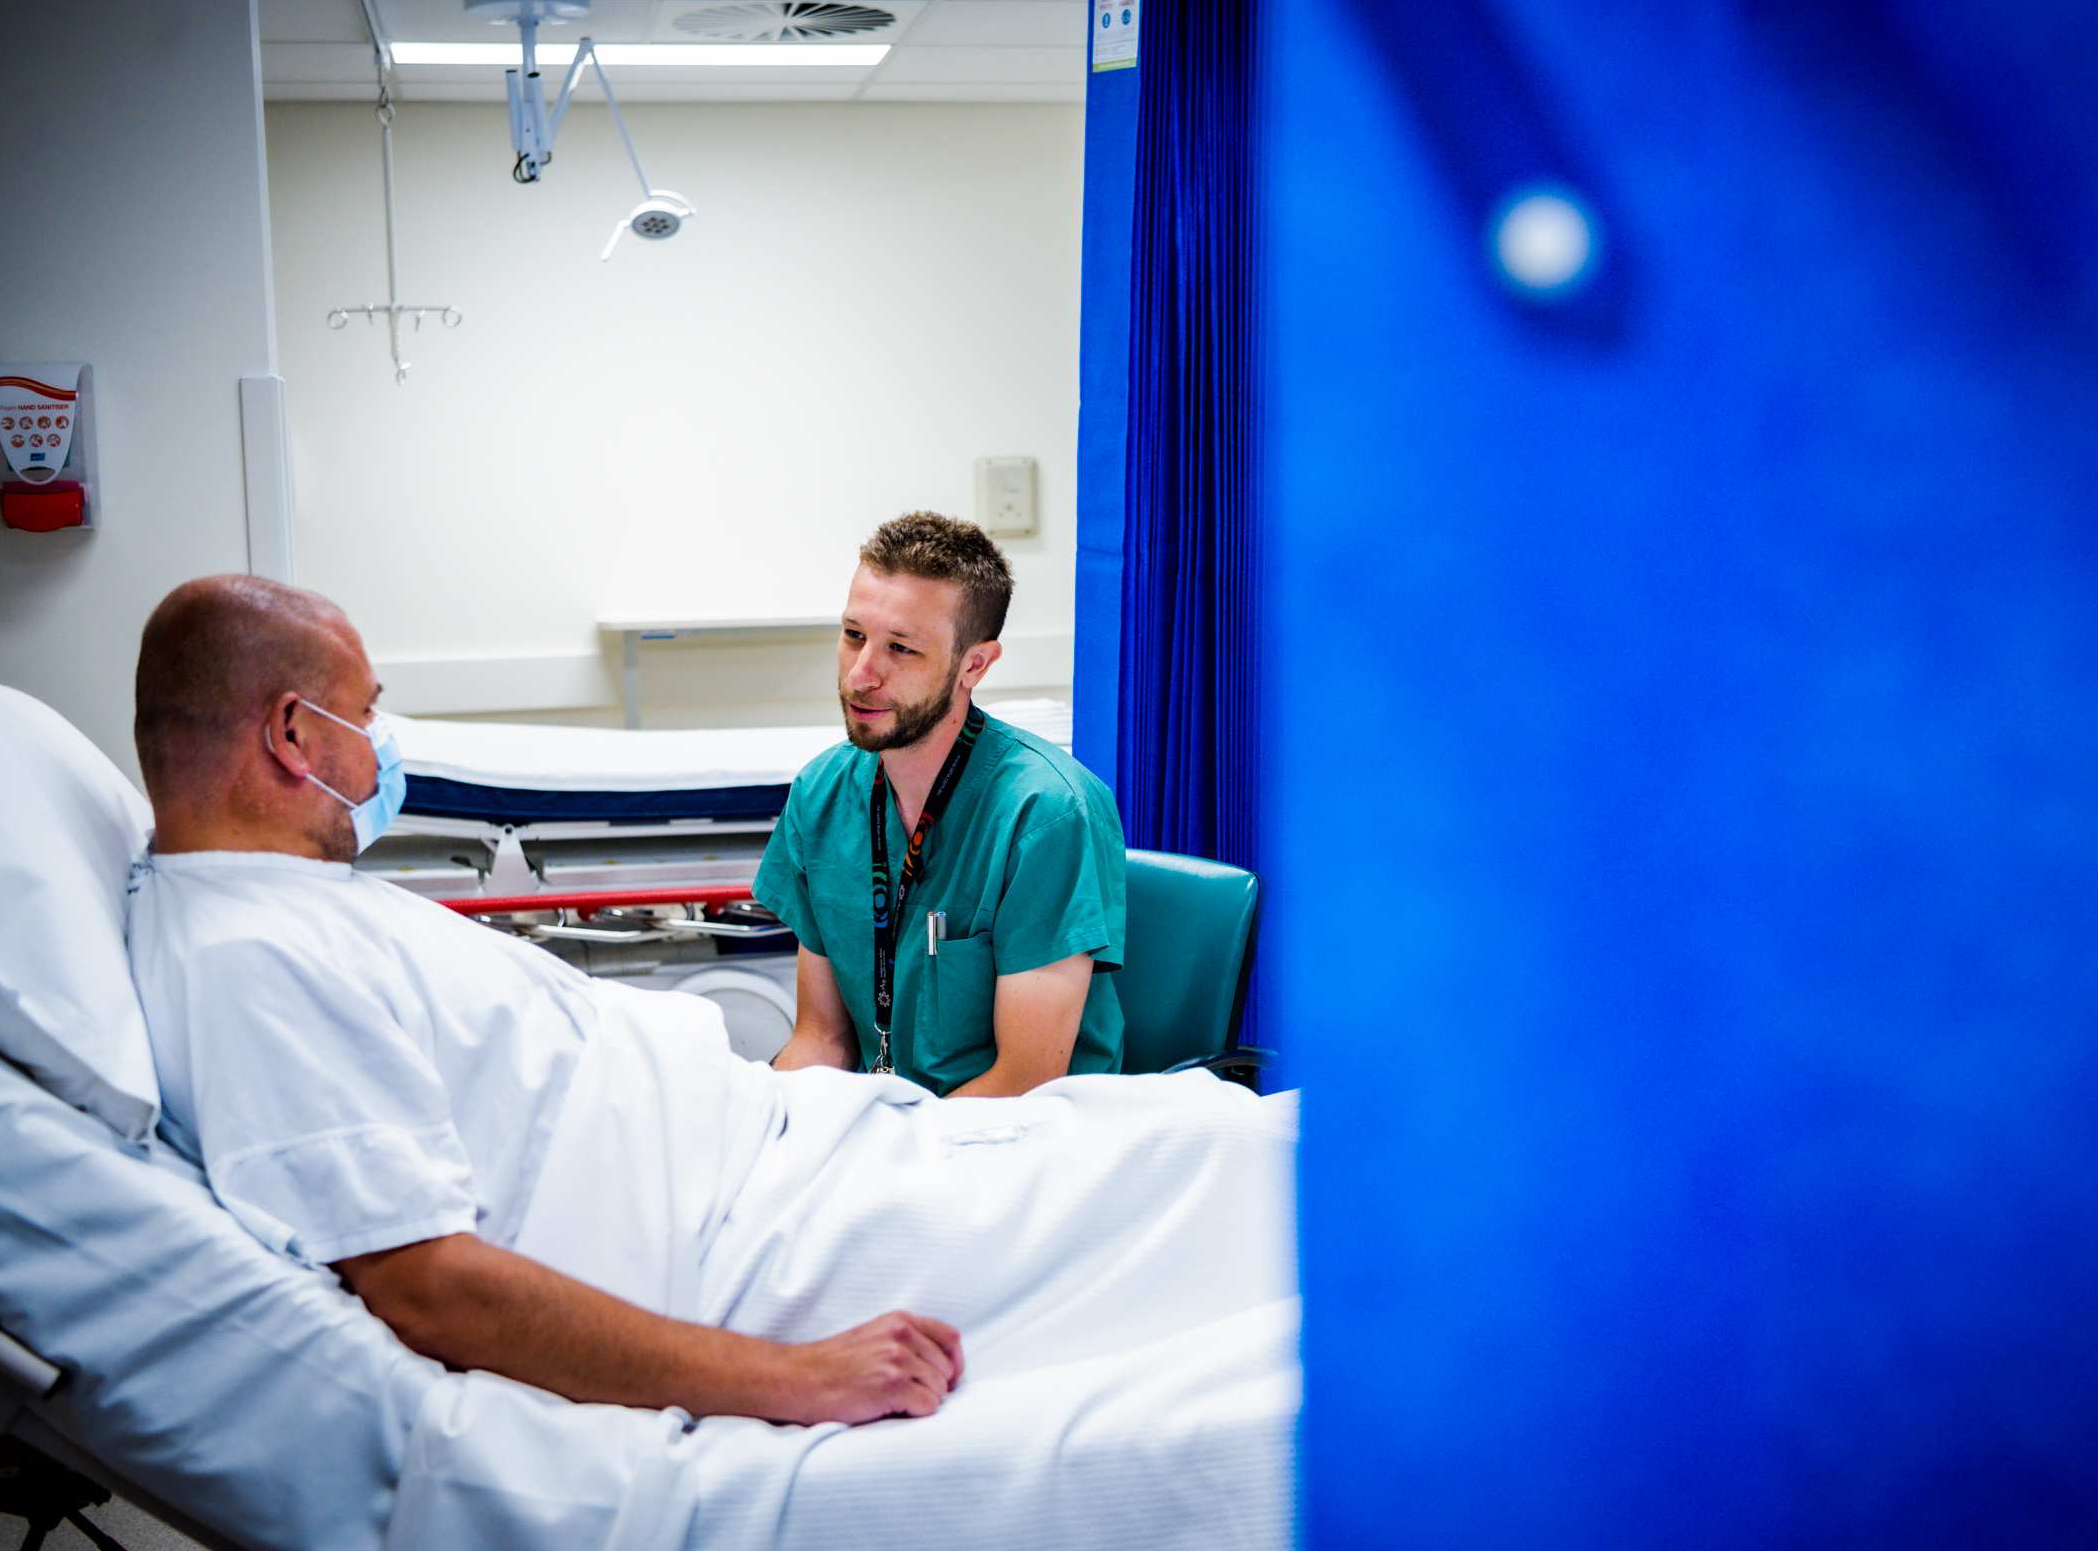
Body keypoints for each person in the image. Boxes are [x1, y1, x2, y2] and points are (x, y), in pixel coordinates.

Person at [124, 575, 1293, 1430]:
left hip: (771, 1150)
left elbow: (1010, 1071)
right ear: (293, 734)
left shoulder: (297, 908)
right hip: (741, 1230)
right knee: (1216, 1181)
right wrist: (792, 1376)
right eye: (366, 714)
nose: (383, 752)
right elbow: (427, 1285)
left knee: (1196, 1138)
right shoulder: (251, 960)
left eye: (900, 647)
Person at [757, 513, 1128, 1096]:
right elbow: (822, 1038)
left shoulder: (1046, 814)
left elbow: (1024, 1080)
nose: (861, 675)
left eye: (901, 649)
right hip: (889, 1124)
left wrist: (888, 1145)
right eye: (853, 635)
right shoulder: (821, 793)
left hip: (1025, 1135)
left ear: (973, 665)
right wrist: (765, 1124)